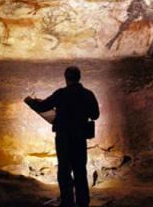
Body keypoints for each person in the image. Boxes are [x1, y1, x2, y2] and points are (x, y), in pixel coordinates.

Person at [24, 66, 100, 207]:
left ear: (66, 78)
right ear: (79, 77)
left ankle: (67, 202)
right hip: (80, 137)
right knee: (80, 170)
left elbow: (43, 106)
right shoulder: (87, 94)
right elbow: (95, 115)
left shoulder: (61, 94)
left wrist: (30, 101)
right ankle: (83, 202)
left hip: (64, 137)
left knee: (64, 171)